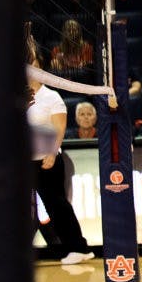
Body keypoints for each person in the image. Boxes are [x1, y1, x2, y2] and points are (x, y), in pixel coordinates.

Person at [28, 57, 94, 265]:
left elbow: (59, 128)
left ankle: (78, 248)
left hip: (46, 161)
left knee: (57, 206)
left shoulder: (51, 97)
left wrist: (51, 152)